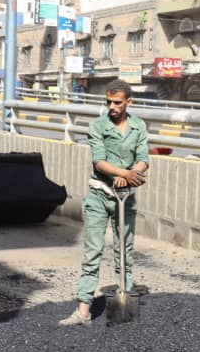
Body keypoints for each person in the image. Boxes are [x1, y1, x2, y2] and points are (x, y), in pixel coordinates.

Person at [59, 79, 150, 326]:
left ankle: (123, 307)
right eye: (108, 101)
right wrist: (123, 173)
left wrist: (132, 173)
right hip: (99, 195)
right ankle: (83, 311)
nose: (112, 106)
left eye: (117, 102)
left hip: (126, 197)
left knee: (124, 252)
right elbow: (99, 161)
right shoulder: (97, 125)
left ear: (128, 102)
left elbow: (143, 158)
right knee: (93, 252)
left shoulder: (139, 126)